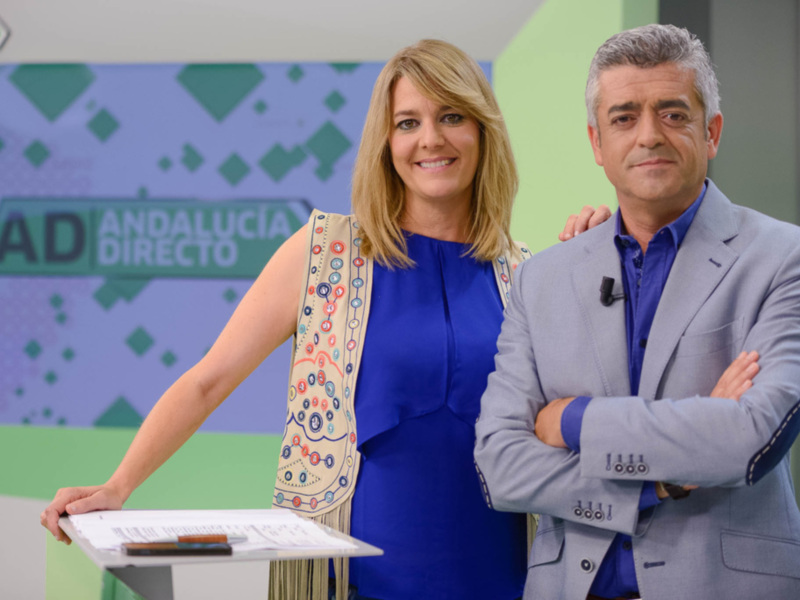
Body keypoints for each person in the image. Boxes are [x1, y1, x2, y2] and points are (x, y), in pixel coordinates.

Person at [41, 40, 609, 600]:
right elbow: (208, 380)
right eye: (407, 123)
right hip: (351, 581)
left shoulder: (524, 274)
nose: (431, 138)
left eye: (452, 116)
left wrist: (597, 267)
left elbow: (581, 414)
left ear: (483, 131)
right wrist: (118, 485)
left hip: (503, 579)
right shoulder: (324, 253)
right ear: (385, 143)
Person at [475, 23, 800, 600]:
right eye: (624, 117)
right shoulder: (541, 279)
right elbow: (501, 466)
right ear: (597, 144)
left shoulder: (782, 258)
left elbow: (751, 437)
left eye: (673, 114)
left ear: (711, 132)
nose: (649, 135)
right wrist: (662, 482)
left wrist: (572, 420)